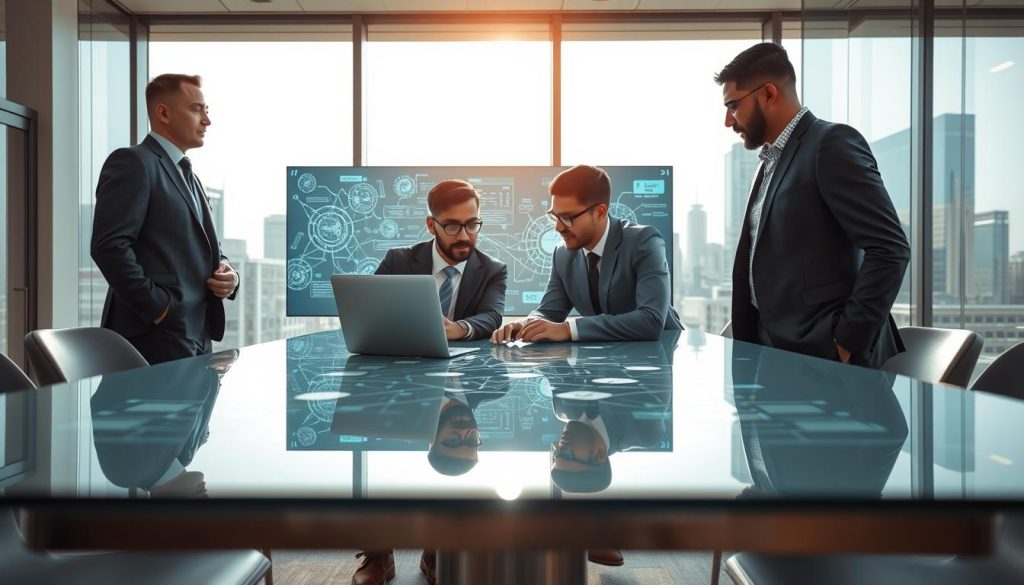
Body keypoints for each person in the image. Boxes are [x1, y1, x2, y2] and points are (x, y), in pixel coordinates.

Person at [716, 43, 910, 368]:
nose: (727, 120)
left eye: (733, 105)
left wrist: (846, 342)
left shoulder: (831, 144)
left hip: (825, 357)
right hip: (775, 354)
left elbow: (890, 248)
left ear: (768, 94)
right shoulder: (767, 164)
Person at [92, 74, 238, 365]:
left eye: (206, 110)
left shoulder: (191, 177)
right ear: (163, 113)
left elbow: (205, 248)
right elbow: (109, 247)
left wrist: (229, 275)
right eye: (196, 109)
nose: (207, 120)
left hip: (197, 336)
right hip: (152, 337)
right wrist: (160, 309)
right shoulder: (133, 162)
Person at [490, 165, 682, 344]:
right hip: (606, 358)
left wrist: (568, 329)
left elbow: (651, 320)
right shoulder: (562, 254)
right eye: (555, 217)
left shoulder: (644, 241)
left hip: (660, 352)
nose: (558, 228)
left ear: (600, 213)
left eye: (567, 217)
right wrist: (525, 325)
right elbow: (549, 311)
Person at [376, 179, 506, 341]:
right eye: (452, 226)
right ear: (431, 225)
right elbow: (369, 308)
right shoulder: (397, 261)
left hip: (461, 354)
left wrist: (459, 329)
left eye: (472, 225)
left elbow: (492, 315)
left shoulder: (493, 270)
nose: (464, 237)